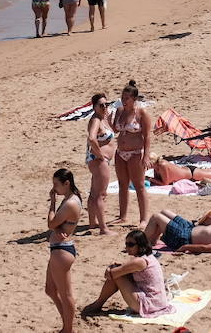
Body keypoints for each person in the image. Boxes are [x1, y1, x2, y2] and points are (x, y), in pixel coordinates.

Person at [79, 230, 173, 318]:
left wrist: (110, 269)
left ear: (140, 245)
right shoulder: (148, 257)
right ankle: (98, 304)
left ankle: (98, 304)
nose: (127, 248)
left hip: (150, 305)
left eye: (131, 245)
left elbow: (111, 274)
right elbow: (124, 269)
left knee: (117, 277)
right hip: (157, 302)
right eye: (126, 244)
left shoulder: (139, 261)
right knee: (120, 274)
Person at [44, 168, 82, 333]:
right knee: (50, 290)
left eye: (56, 184)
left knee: (66, 295)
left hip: (62, 251)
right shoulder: (70, 198)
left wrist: (52, 202)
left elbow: (51, 224)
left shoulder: (70, 203)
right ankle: (67, 325)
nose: (53, 188)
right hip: (58, 249)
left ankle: (68, 329)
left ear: (66, 183)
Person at [114, 81, 152, 225]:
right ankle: (122, 216)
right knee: (122, 184)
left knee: (139, 185)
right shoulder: (119, 112)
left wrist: (146, 156)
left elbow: (147, 135)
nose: (124, 101)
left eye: (127, 98)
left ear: (134, 99)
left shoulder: (141, 113)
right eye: (122, 98)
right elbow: (115, 130)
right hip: (120, 152)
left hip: (135, 153)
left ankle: (143, 218)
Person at [84, 93, 116, 236]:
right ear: (94, 107)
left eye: (106, 104)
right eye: (101, 105)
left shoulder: (102, 119)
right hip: (99, 161)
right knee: (101, 195)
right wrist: (99, 155)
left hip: (97, 160)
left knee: (94, 193)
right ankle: (104, 228)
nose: (104, 107)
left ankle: (92, 222)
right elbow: (91, 138)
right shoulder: (96, 120)